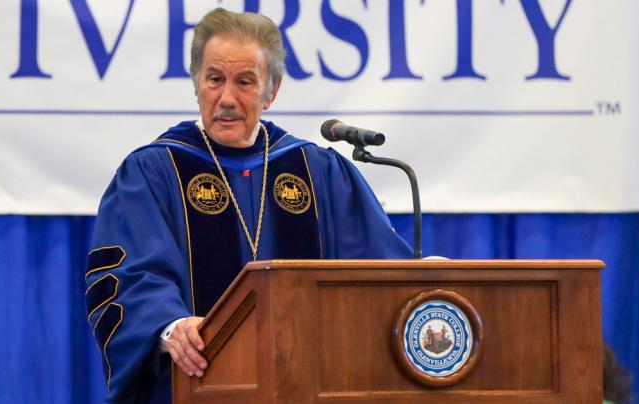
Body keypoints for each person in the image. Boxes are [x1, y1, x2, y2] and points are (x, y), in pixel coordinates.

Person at [84, 7, 412, 403]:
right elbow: (127, 276)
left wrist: (427, 279)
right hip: (196, 388)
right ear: (196, 83)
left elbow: (378, 272)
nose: (226, 98)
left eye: (244, 82)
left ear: (271, 92)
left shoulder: (317, 171)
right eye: (214, 79)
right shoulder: (154, 172)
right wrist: (169, 326)